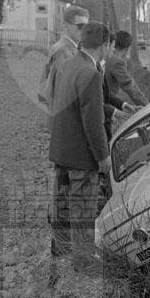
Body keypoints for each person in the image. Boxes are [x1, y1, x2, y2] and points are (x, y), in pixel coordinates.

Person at [48, 21, 111, 256]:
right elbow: (93, 122)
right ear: (105, 45)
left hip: (61, 150)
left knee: (63, 208)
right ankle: (83, 261)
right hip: (81, 159)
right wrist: (103, 157)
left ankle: (60, 253)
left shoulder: (67, 64)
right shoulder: (91, 73)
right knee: (83, 213)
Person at [37, 5, 89, 129]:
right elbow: (61, 89)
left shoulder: (70, 48)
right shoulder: (63, 51)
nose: (84, 30)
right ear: (66, 26)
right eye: (80, 26)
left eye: (86, 27)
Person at [104, 30, 148, 107]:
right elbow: (129, 86)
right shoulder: (117, 62)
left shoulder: (106, 57)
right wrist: (147, 106)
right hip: (109, 103)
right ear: (128, 48)